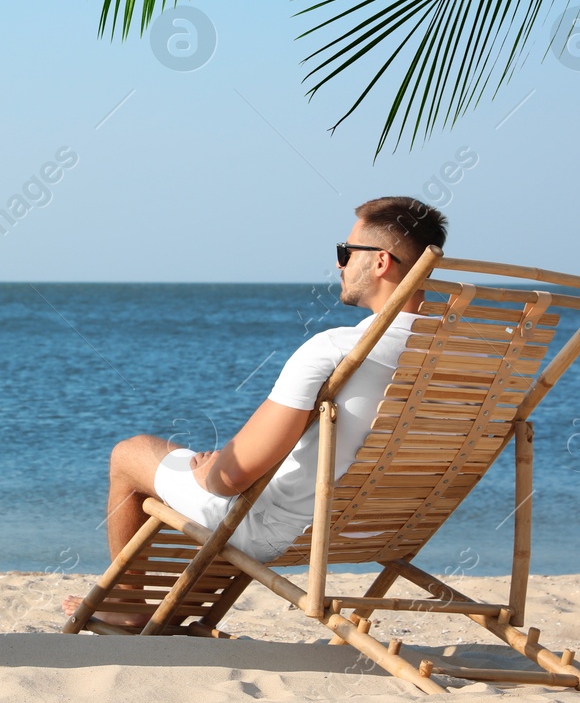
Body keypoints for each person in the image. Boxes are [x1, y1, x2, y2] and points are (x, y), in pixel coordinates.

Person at [63, 196, 448, 625]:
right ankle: (170, 603)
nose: (339, 264)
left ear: (380, 263)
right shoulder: (458, 352)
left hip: (290, 532)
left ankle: (128, 606)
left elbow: (230, 480)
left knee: (130, 454)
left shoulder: (337, 349)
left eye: (345, 252)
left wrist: (204, 471)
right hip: (383, 528)